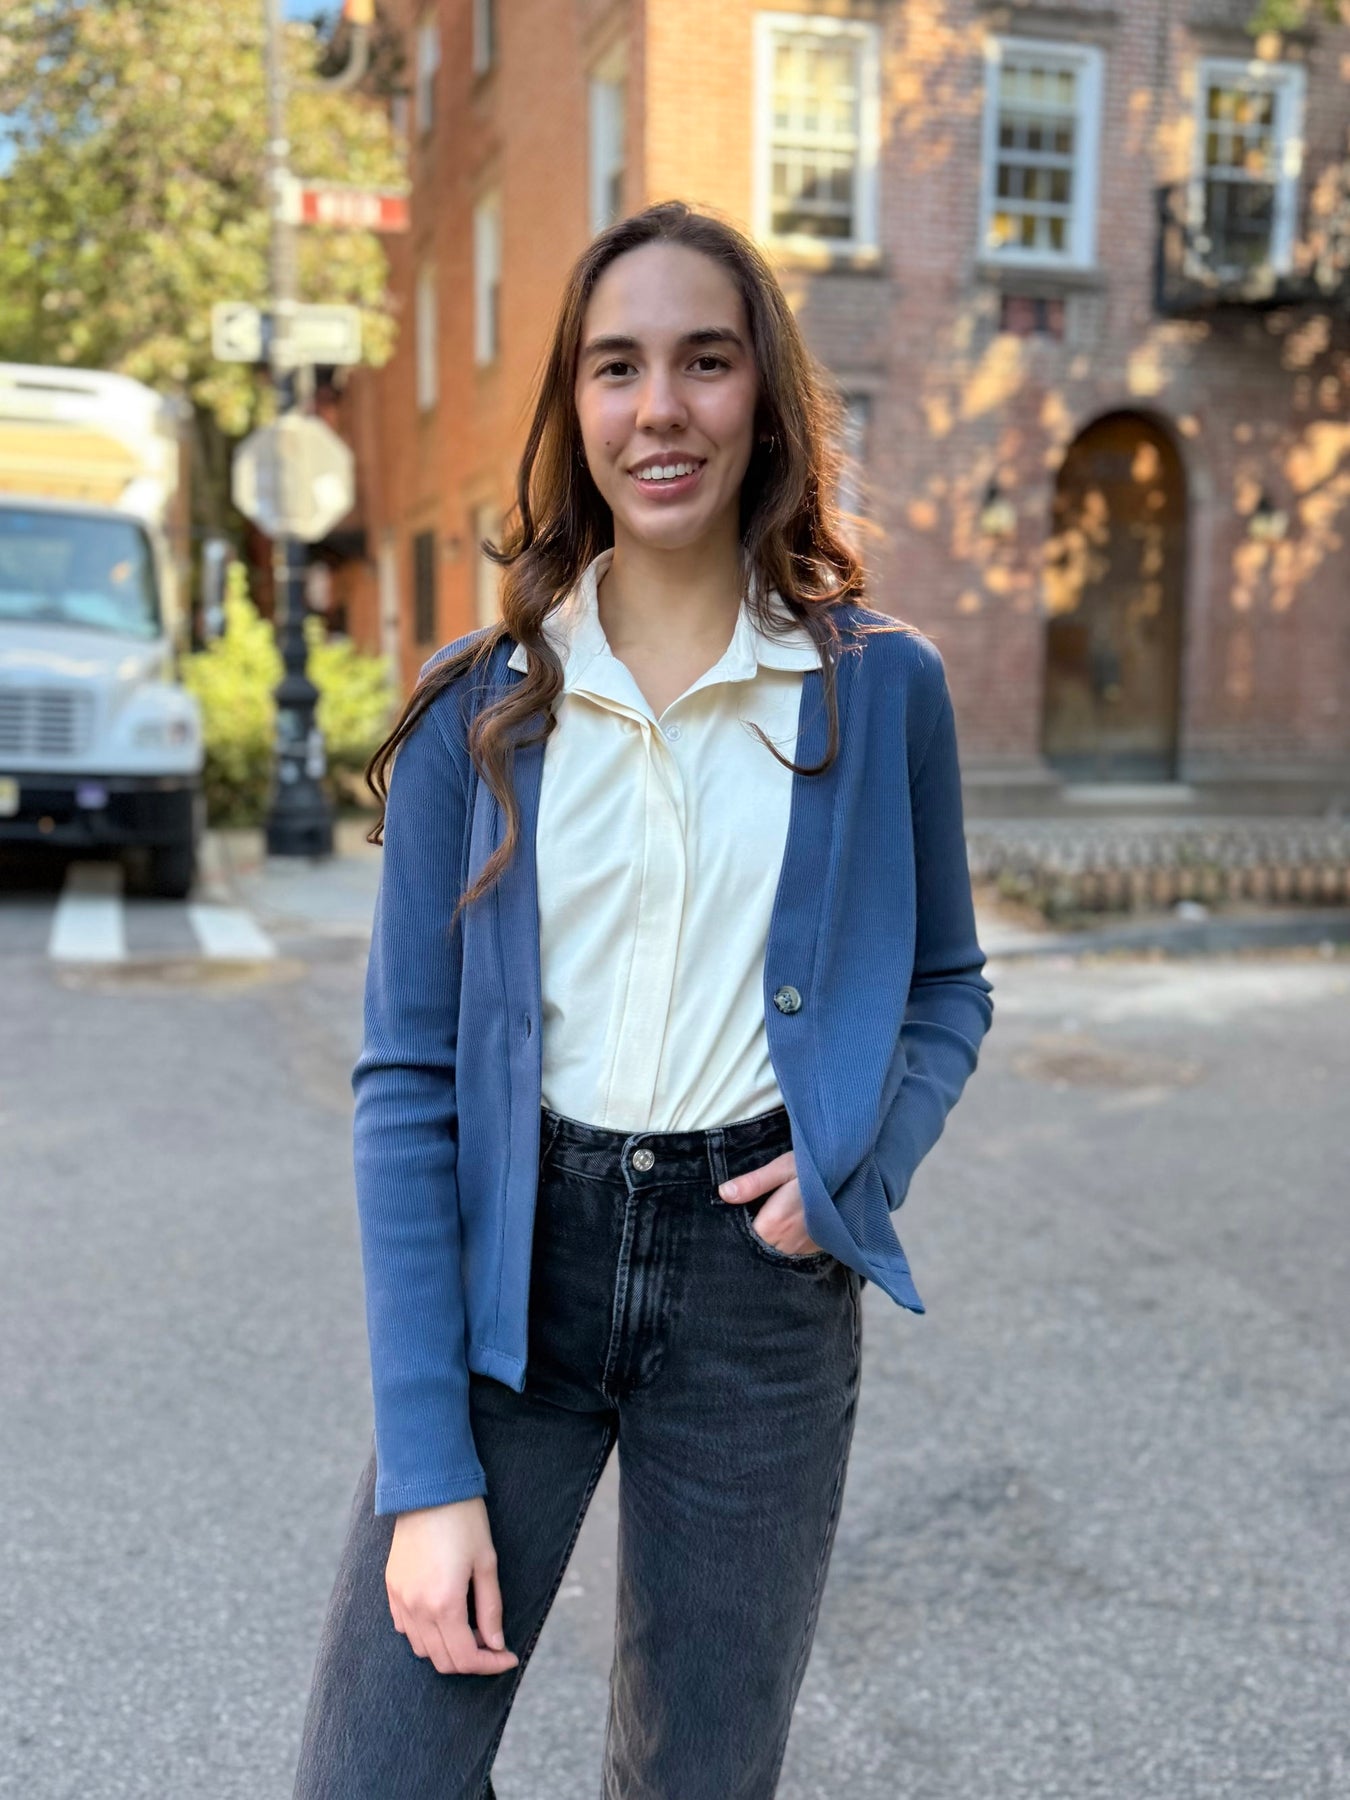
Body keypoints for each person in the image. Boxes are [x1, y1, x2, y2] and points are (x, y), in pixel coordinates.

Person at [292, 199, 994, 1800]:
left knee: (696, 1778)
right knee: (376, 1774)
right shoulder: (479, 706)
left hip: (755, 1296)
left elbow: (946, 984)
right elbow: (407, 1085)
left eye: (703, 361)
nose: (659, 407)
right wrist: (425, 1469)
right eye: (616, 366)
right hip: (516, 1276)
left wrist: (861, 1166)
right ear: (576, 405)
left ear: (765, 398)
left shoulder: (878, 688)